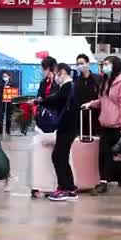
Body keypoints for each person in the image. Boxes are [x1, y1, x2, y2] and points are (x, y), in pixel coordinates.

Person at [82, 56, 121, 195]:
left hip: (117, 125)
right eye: (104, 64)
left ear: (115, 66)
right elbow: (102, 101)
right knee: (103, 155)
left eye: (107, 64)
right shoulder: (105, 81)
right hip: (105, 124)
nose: (105, 67)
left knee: (120, 155)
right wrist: (90, 104)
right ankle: (103, 181)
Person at [45, 63, 78, 201]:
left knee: (59, 156)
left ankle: (65, 188)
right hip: (66, 127)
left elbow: (56, 100)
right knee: (61, 156)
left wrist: (41, 101)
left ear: (62, 72)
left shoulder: (68, 86)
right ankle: (69, 187)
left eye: (56, 73)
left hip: (67, 127)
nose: (55, 77)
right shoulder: (68, 86)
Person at [73, 54, 100, 136]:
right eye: (78, 64)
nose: (80, 66)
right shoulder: (76, 81)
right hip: (81, 116)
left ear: (88, 64)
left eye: (82, 63)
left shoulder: (98, 79)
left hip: (95, 115)